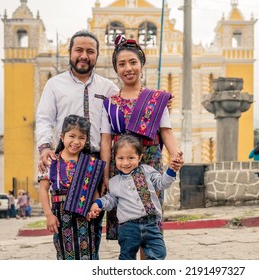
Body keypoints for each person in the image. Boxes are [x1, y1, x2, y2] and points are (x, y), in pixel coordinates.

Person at [35, 29, 119, 257]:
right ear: (70, 52)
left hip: (95, 162)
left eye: (90, 51)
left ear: (97, 55)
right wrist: (45, 148)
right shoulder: (55, 85)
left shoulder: (108, 88)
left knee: (91, 228)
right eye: (79, 50)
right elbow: (44, 118)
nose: (84, 55)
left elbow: (122, 118)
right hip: (65, 161)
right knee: (64, 230)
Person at [100, 35, 183, 248]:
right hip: (122, 169)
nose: (128, 68)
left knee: (150, 230)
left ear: (142, 65)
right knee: (128, 230)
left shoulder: (157, 99)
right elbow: (106, 140)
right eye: (122, 64)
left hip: (150, 167)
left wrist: (176, 154)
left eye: (133, 62)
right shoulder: (110, 104)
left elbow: (166, 131)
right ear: (116, 69)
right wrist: (105, 175)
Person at [88, 135, 182, 260]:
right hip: (128, 228)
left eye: (131, 158)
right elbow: (110, 199)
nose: (126, 162)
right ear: (114, 159)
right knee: (127, 257)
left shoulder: (148, 171)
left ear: (140, 158)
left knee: (159, 252)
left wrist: (171, 170)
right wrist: (98, 204)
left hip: (151, 224)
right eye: (121, 158)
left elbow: (162, 183)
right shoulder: (114, 182)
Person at [38, 115, 105, 260]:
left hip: (84, 216)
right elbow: (43, 190)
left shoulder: (90, 163)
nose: (76, 142)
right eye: (72, 136)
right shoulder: (51, 162)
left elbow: (93, 190)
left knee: (88, 253)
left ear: (86, 140)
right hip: (60, 217)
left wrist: (95, 205)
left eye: (82, 137)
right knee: (64, 253)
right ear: (62, 137)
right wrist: (49, 215)